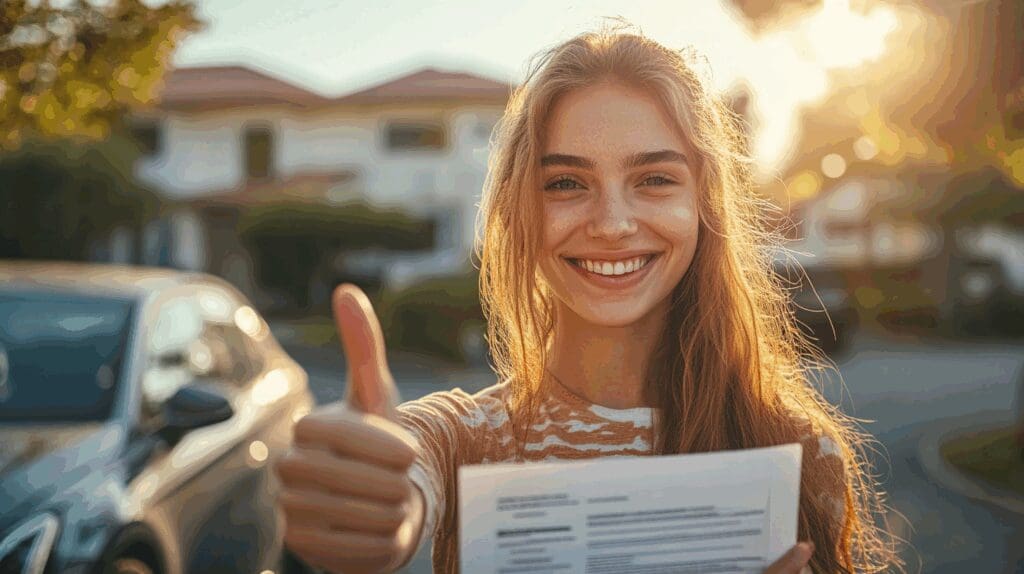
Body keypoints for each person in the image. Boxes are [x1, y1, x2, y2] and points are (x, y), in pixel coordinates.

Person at [274, 27, 901, 574]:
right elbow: (404, 482)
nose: (612, 222)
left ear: (705, 204)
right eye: (567, 183)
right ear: (521, 209)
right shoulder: (465, 440)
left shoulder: (795, 449)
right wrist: (368, 509)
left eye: (654, 179)